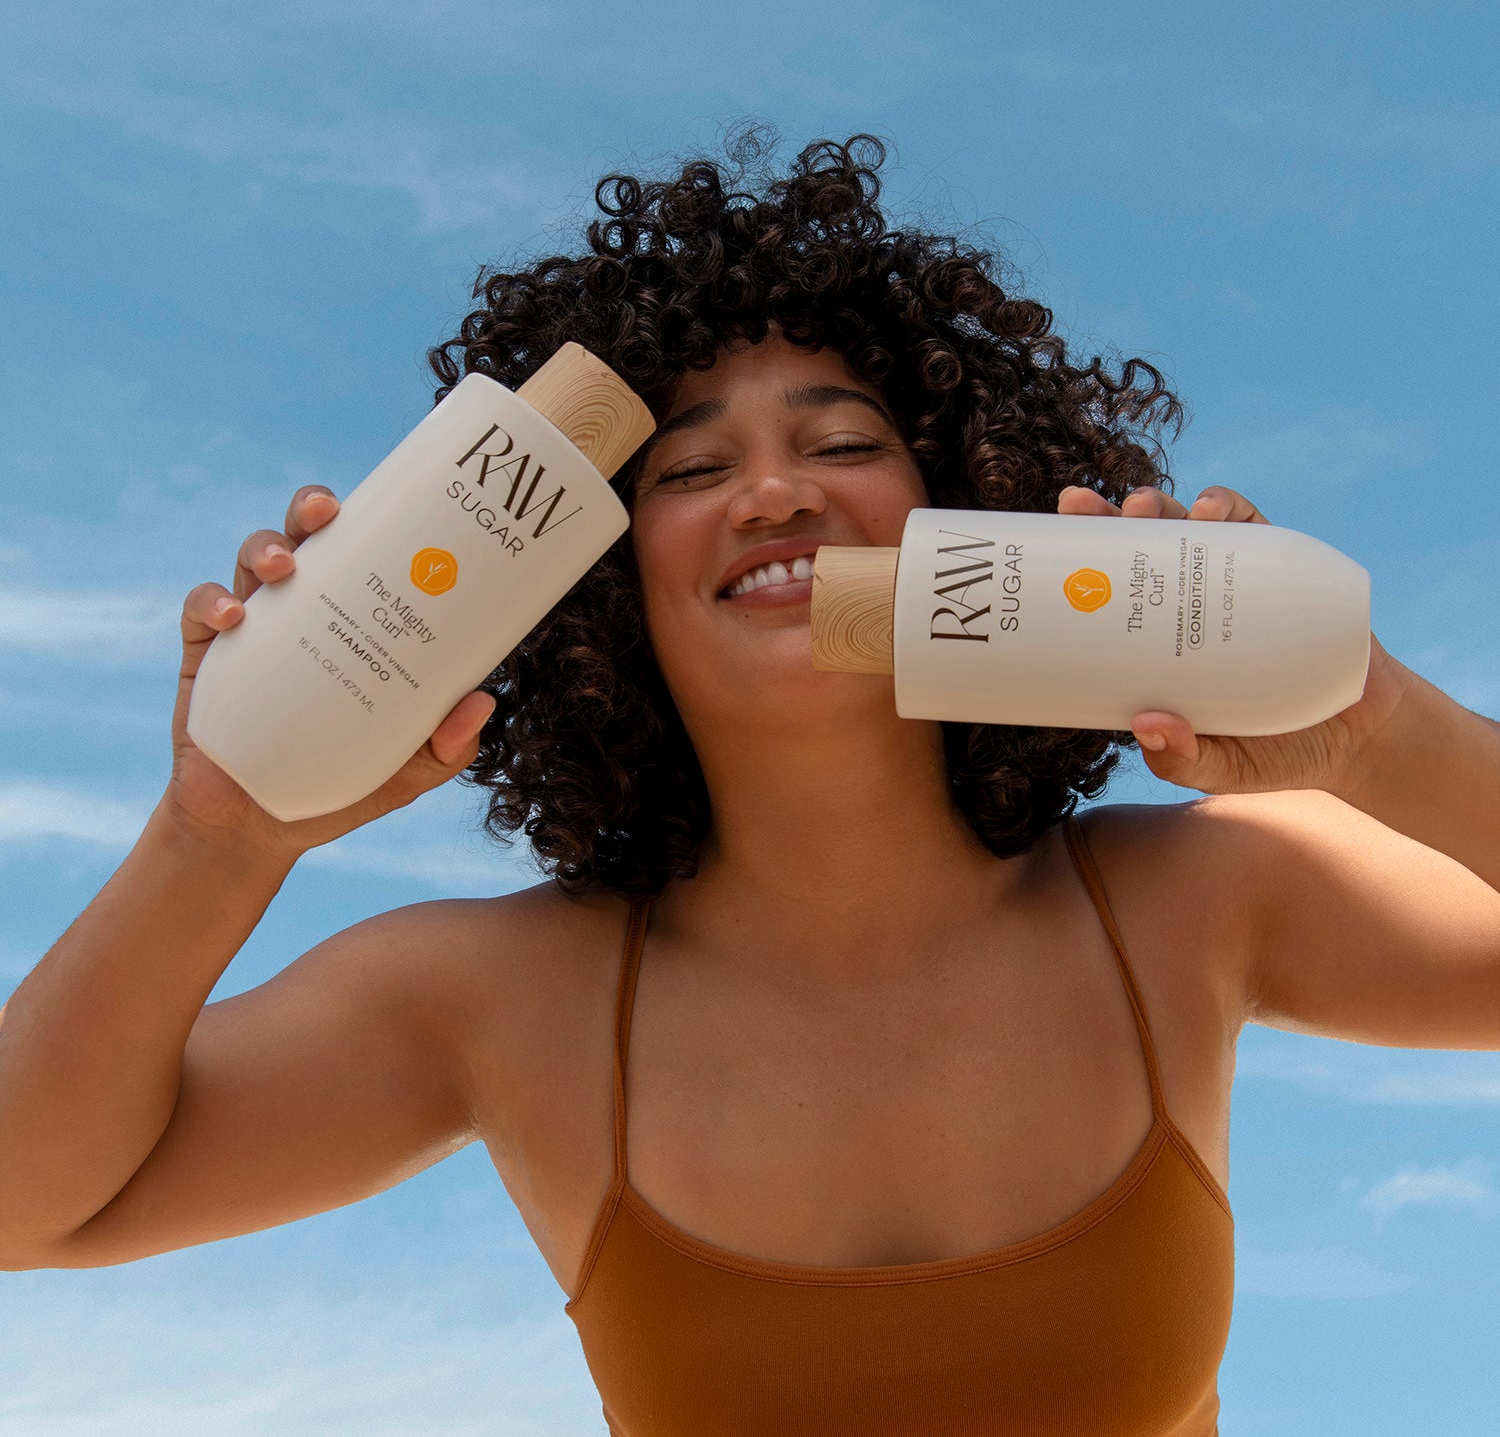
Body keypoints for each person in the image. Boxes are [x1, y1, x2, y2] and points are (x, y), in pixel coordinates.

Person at [0, 134, 1496, 1436]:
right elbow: (28, 1209)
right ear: (591, 582)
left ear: (965, 506)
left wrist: (1378, 736)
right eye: (691, 472)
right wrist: (217, 835)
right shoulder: (499, 999)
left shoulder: (1203, 895)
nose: (776, 493)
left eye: (842, 441)